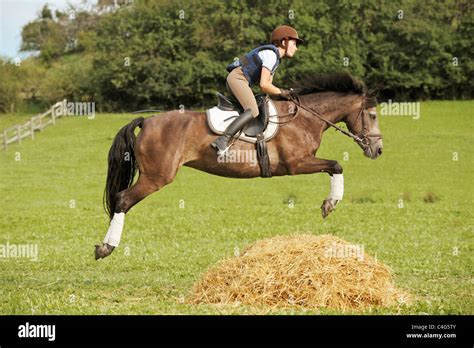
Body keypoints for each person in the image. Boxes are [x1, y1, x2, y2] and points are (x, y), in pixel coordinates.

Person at [211, 25, 304, 156]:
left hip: (240, 80)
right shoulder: (271, 55)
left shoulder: (275, 59)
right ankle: (222, 140)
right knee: (253, 111)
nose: (296, 48)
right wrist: (282, 92)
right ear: (284, 42)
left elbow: (269, 86)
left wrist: (284, 92)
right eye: (294, 43)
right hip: (237, 79)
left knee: (255, 107)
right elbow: (264, 85)